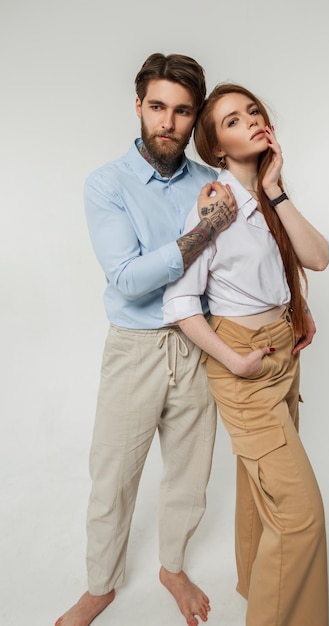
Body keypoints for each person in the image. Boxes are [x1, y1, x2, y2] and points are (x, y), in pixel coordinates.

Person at [54, 53, 241, 626]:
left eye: (183, 111)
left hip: (199, 343)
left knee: (191, 473)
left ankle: (173, 567)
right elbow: (128, 278)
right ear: (139, 107)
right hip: (135, 348)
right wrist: (207, 228)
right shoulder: (106, 184)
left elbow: (240, 264)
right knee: (113, 476)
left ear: (195, 118)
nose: (168, 122)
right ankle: (101, 584)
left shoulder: (214, 181)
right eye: (157, 106)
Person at [163, 83, 329, 626]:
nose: (253, 121)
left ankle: (253, 580)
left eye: (254, 111)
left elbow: (318, 258)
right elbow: (180, 302)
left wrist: (276, 187)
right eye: (233, 120)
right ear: (216, 148)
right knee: (300, 515)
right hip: (243, 360)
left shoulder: (266, 196)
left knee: (259, 482)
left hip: (282, 350)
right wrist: (233, 363)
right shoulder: (214, 208)